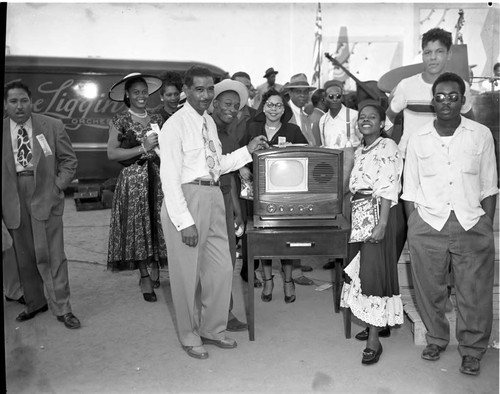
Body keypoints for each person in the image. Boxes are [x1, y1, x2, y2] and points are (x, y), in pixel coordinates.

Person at [159, 65, 268, 360]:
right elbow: (169, 177)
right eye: (199, 89)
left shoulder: (207, 121)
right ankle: (189, 334)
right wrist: (184, 222)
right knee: (185, 276)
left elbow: (216, 162)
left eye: (209, 89)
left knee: (221, 268)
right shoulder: (175, 125)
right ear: (187, 90)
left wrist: (249, 149)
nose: (206, 95)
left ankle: (212, 328)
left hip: (214, 194)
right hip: (187, 199)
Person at [402, 72, 498, 376]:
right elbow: (409, 190)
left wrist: (485, 225)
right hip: (428, 222)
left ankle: (472, 350)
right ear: (433, 101)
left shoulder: (480, 134)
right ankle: (437, 338)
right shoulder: (418, 139)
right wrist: (413, 228)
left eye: (453, 96)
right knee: (429, 289)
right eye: (440, 96)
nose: (447, 102)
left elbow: (489, 185)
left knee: (474, 292)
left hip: (471, 222)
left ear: (463, 99)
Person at [2, 80, 80, 329]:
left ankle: (63, 307)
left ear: (31, 101)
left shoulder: (51, 125)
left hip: (45, 193)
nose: (19, 106)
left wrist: (57, 187)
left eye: (24, 100)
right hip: (12, 198)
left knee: (53, 255)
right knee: (23, 256)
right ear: (6, 105)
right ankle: (35, 303)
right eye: (13, 101)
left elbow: (69, 161)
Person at [340, 100, 404, 365]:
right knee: (362, 271)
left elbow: (389, 187)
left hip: (380, 213)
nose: (365, 120)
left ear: (381, 123)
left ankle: (374, 342)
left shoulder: (388, 146)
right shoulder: (361, 149)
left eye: (371, 117)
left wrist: (382, 224)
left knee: (373, 274)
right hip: (361, 213)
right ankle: (376, 323)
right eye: (361, 117)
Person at [243, 89, 309, 304]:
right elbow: (241, 152)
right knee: (265, 238)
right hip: (259, 193)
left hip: (286, 193)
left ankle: (288, 281)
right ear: (263, 107)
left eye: (278, 105)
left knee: (287, 238)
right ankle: (268, 280)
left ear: (284, 109)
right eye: (270, 104)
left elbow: (307, 154)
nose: (274, 109)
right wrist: (243, 167)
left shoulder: (293, 129)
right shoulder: (252, 127)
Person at [106, 73, 168, 302]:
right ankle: (144, 276)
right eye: (136, 92)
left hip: (159, 178)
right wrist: (142, 147)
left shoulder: (156, 118)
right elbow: (112, 153)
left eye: (144, 91)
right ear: (127, 95)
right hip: (134, 181)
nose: (141, 96)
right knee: (139, 227)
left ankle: (155, 267)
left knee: (157, 222)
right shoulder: (119, 120)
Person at [387, 27, 474, 156]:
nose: (433, 57)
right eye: (427, 52)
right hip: (410, 156)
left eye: (439, 51)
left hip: (446, 157)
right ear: (422, 55)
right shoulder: (406, 85)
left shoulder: (461, 86)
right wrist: (387, 146)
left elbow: (471, 122)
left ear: (449, 54)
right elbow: (389, 116)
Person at [210, 78, 250, 332]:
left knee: (226, 261)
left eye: (236, 106)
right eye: (227, 104)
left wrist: (236, 211)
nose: (231, 109)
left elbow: (231, 175)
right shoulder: (206, 129)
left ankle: (225, 312)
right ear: (214, 104)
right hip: (205, 198)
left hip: (225, 198)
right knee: (211, 262)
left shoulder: (229, 133)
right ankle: (213, 315)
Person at [320, 79, 362, 270]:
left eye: (339, 96)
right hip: (330, 168)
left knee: (349, 212)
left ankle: (351, 257)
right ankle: (335, 255)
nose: (335, 99)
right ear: (325, 98)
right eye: (331, 96)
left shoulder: (353, 116)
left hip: (350, 168)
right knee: (332, 213)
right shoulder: (323, 120)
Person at [228, 71, 261, 287]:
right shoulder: (220, 115)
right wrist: (238, 166)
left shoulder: (257, 115)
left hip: (252, 178)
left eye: (246, 87)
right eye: (238, 87)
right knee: (231, 226)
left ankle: (250, 271)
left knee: (251, 225)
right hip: (228, 176)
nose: (242, 91)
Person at [287, 73, 317, 146]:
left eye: (305, 92)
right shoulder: (283, 112)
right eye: (298, 91)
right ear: (290, 93)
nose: (302, 95)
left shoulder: (306, 115)